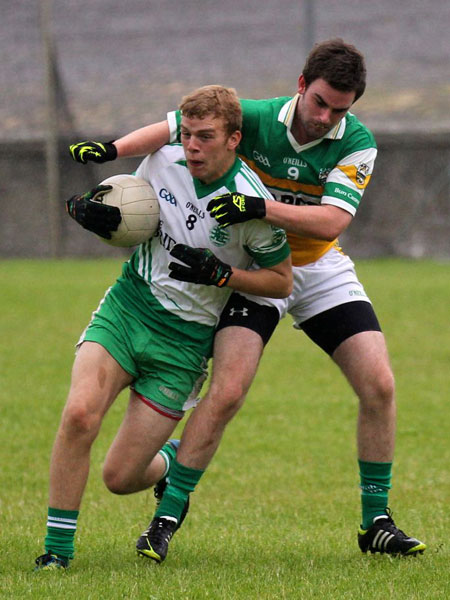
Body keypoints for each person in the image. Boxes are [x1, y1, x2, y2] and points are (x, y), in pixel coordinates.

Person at [69, 39, 426, 559]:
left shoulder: (357, 143)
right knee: (230, 390)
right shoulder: (256, 118)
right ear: (301, 86)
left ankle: (376, 523)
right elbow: (174, 126)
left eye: (340, 109)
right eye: (320, 102)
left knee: (380, 384)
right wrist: (113, 150)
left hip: (318, 266)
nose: (326, 117)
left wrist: (260, 205)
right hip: (253, 269)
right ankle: (166, 519)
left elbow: (333, 220)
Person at [34, 85, 292, 570]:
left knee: (120, 476)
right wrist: (90, 212)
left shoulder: (251, 205)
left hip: (183, 345)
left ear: (234, 139)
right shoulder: (162, 160)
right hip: (129, 309)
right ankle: (56, 552)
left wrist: (224, 275)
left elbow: (281, 281)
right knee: (79, 415)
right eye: (188, 134)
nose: (192, 146)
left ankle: (169, 462)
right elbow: (131, 215)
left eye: (206, 137)